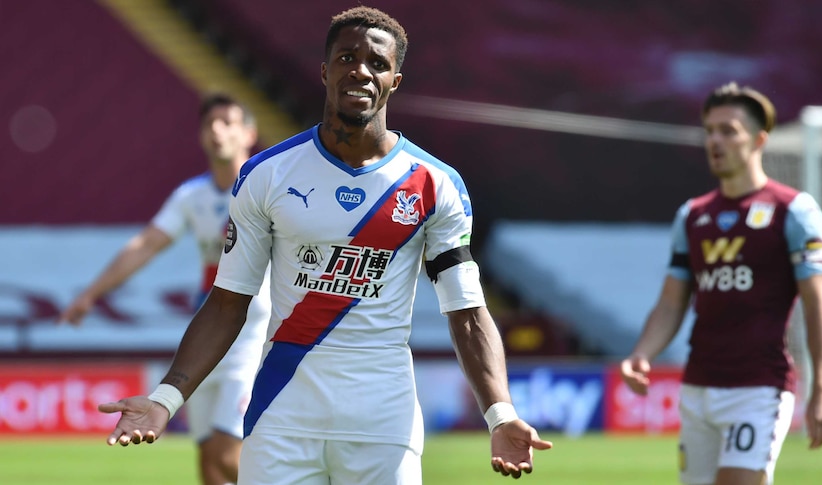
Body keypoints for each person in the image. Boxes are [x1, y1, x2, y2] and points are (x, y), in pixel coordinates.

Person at [96, 6, 552, 484]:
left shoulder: (435, 184)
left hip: (382, 419)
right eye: (347, 58)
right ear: (324, 70)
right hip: (281, 416)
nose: (360, 70)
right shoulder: (266, 175)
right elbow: (228, 301)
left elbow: (467, 311)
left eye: (377, 63)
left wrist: (499, 414)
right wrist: (167, 398)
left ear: (395, 80)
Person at [619, 82, 822, 485]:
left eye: (728, 130)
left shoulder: (794, 210)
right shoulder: (692, 215)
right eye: (710, 131)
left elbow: (818, 304)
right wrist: (642, 352)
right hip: (697, 388)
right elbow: (672, 301)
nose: (715, 140)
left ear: (758, 140)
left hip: (758, 388)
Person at [58, 93, 269, 485]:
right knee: (209, 464)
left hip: (253, 336)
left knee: (227, 453)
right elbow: (145, 245)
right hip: (209, 335)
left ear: (249, 133)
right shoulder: (193, 196)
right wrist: (91, 293)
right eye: (210, 124)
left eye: (227, 122)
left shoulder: (266, 187)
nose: (217, 131)